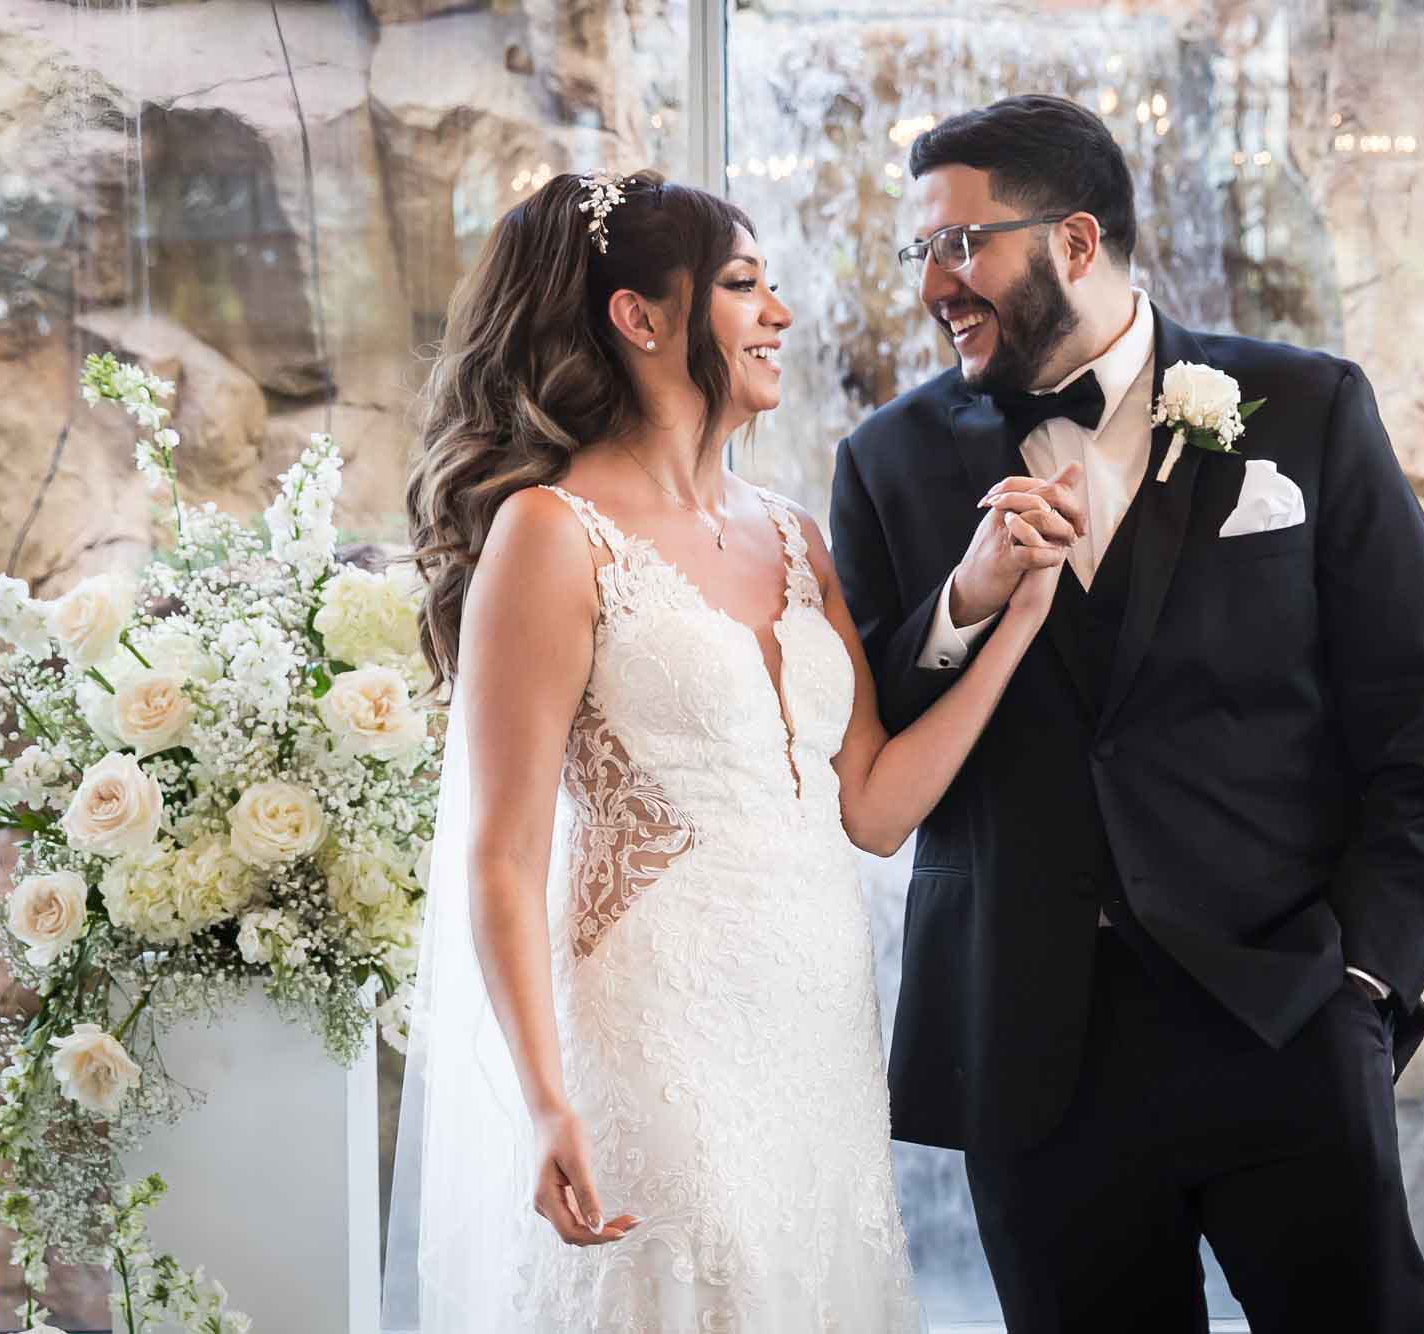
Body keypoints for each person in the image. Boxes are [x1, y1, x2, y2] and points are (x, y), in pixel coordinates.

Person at [829, 95, 1424, 1332]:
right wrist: (963, 603)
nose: (934, 283)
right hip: (1029, 1052)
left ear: (1075, 242)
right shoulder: (888, 459)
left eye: (959, 243)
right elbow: (862, 745)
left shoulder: (1304, 407)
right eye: (916, 250)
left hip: (1283, 1019)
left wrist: (1360, 977)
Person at [381, 170, 1081, 1332]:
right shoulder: (550, 536)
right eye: (744, 286)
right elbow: (504, 856)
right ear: (639, 318)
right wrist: (546, 1100)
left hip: (817, 1033)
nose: (781, 316)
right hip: (651, 1031)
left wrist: (1020, 617)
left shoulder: (794, 535)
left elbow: (872, 806)